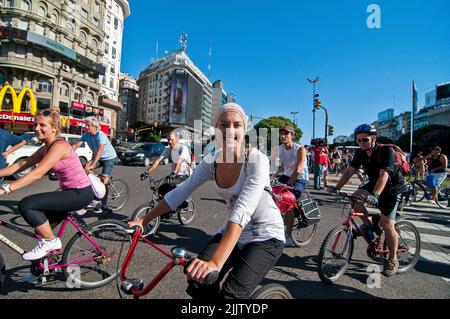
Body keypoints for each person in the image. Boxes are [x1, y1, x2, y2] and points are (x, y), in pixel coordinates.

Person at [128, 103, 285, 299]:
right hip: (235, 231)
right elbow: (181, 191)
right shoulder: (212, 161)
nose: (230, 130)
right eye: (224, 125)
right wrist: (144, 220)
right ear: (216, 128)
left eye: (237, 125)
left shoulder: (256, 160)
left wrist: (216, 263)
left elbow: (242, 210)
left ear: (245, 129)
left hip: (266, 235)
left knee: (230, 294)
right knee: (198, 280)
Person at [0, 109, 94, 260]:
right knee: (40, 230)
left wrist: (7, 187)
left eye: (42, 125)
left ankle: (51, 242)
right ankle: (40, 270)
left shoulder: (60, 146)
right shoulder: (46, 148)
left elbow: (37, 173)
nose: (36, 128)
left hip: (80, 193)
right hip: (68, 192)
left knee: (27, 205)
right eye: (35, 124)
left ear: (54, 128)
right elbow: (22, 164)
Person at [328, 124, 404, 277]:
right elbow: (350, 170)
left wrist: (375, 195)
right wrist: (337, 187)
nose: (361, 143)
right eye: (358, 140)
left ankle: (392, 259)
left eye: (365, 140)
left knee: (387, 223)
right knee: (356, 198)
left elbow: (384, 176)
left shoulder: (385, 151)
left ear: (374, 138)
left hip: (392, 186)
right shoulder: (360, 153)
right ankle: (369, 228)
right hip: (374, 182)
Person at [72, 116, 118, 213]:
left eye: (88, 125)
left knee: (103, 179)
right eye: (86, 125)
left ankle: (104, 205)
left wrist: (92, 164)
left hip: (109, 158)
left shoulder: (100, 135)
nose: (86, 127)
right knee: (85, 169)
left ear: (95, 126)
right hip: (99, 158)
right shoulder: (86, 135)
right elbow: (76, 145)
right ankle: (93, 190)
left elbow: (99, 152)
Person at [276, 125, 308, 247]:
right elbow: (282, 166)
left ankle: (288, 236)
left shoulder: (300, 149)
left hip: (300, 178)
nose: (283, 136)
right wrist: (273, 176)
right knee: (271, 194)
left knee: (288, 202)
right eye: (281, 133)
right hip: (287, 175)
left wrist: (289, 184)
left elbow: (299, 168)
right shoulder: (279, 149)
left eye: (286, 134)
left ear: (292, 136)